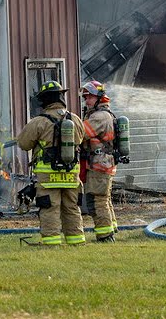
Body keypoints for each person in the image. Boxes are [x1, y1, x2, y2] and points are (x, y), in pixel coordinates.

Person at [15, 80, 87, 246]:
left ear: (44, 100)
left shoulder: (39, 121)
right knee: (72, 208)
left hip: (48, 176)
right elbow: (81, 140)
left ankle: (51, 243)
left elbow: (24, 144)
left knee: (50, 209)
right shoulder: (75, 120)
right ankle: (77, 242)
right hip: (71, 174)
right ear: (61, 97)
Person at [79, 80, 121, 243]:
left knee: (97, 199)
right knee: (104, 198)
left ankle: (105, 236)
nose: (86, 101)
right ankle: (111, 229)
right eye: (85, 97)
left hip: (99, 164)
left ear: (99, 98)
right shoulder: (103, 114)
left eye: (89, 97)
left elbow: (81, 134)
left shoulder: (99, 117)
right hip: (103, 164)